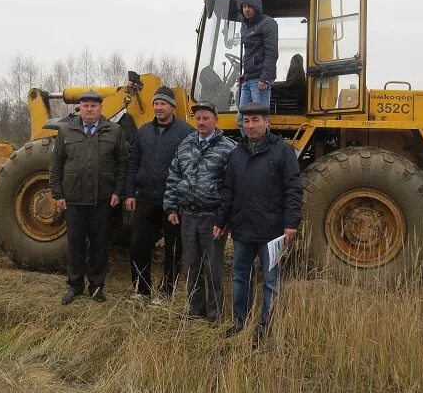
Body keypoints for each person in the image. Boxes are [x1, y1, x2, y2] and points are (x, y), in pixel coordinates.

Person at [214, 102, 303, 341]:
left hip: (271, 231)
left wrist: (291, 223)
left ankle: (266, 327)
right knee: (240, 276)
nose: (250, 125)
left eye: (255, 120)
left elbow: (293, 189)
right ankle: (240, 323)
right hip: (242, 230)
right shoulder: (236, 153)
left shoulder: (283, 151)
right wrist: (221, 221)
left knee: (271, 281)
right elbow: (228, 191)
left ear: (267, 122)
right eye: (246, 121)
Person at [50, 90, 128, 305]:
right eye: (85, 106)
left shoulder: (114, 131)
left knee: (99, 244)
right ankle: (75, 286)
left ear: (101, 109)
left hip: (102, 200)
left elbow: (122, 163)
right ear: (80, 109)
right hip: (73, 200)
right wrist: (58, 193)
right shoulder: (66, 131)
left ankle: (96, 286)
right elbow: (56, 165)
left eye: (94, 106)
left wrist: (117, 191)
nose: (90, 109)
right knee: (75, 245)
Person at [163, 100, 237, 323]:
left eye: (206, 118)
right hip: (188, 215)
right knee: (191, 264)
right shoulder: (185, 145)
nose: (202, 122)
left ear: (216, 120)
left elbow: (232, 186)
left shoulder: (228, 148)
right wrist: (171, 206)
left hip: (212, 217)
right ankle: (195, 310)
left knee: (212, 266)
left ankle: (215, 314)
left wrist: (225, 219)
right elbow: (174, 176)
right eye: (198, 118)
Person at [124, 86, 194, 302]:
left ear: (172, 106)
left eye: (162, 103)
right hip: (145, 197)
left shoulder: (186, 132)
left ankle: (166, 292)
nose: (158, 107)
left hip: (172, 201)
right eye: (155, 103)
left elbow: (190, 168)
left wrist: (182, 197)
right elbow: (133, 163)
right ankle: (141, 290)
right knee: (138, 245)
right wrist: (129, 193)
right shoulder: (143, 131)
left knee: (172, 250)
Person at [238, 0, 278, 129]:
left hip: (260, 80)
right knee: (241, 120)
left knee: (259, 121)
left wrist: (265, 78)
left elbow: (271, 52)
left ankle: (264, 149)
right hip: (249, 78)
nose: (246, 10)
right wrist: (245, 73)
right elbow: (250, 53)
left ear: (256, 7)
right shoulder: (246, 26)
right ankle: (249, 149)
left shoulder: (268, 23)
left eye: (249, 6)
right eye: (244, 7)